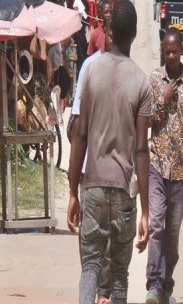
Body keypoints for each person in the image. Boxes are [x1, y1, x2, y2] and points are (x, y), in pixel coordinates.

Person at [67, 0, 152, 304]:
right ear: (134, 33)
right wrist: (145, 210)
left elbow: (80, 136)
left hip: (92, 187)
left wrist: (73, 191)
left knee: (90, 266)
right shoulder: (142, 83)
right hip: (124, 192)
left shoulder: (91, 71)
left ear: (111, 31)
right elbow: (141, 150)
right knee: (118, 274)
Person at [146, 29, 183, 304]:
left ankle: (167, 284)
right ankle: (153, 285)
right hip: (156, 163)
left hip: (179, 169)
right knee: (157, 224)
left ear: (182, 51)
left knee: (172, 231)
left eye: (175, 51)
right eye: (166, 52)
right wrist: (163, 97)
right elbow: (146, 119)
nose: (170, 56)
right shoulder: (155, 80)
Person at [69, 20, 114, 304]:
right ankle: (91, 278)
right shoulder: (89, 67)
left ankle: (103, 291)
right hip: (89, 169)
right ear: (101, 34)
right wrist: (72, 183)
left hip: (114, 172)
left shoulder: (129, 71)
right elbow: (77, 127)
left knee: (110, 235)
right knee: (88, 234)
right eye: (107, 32)